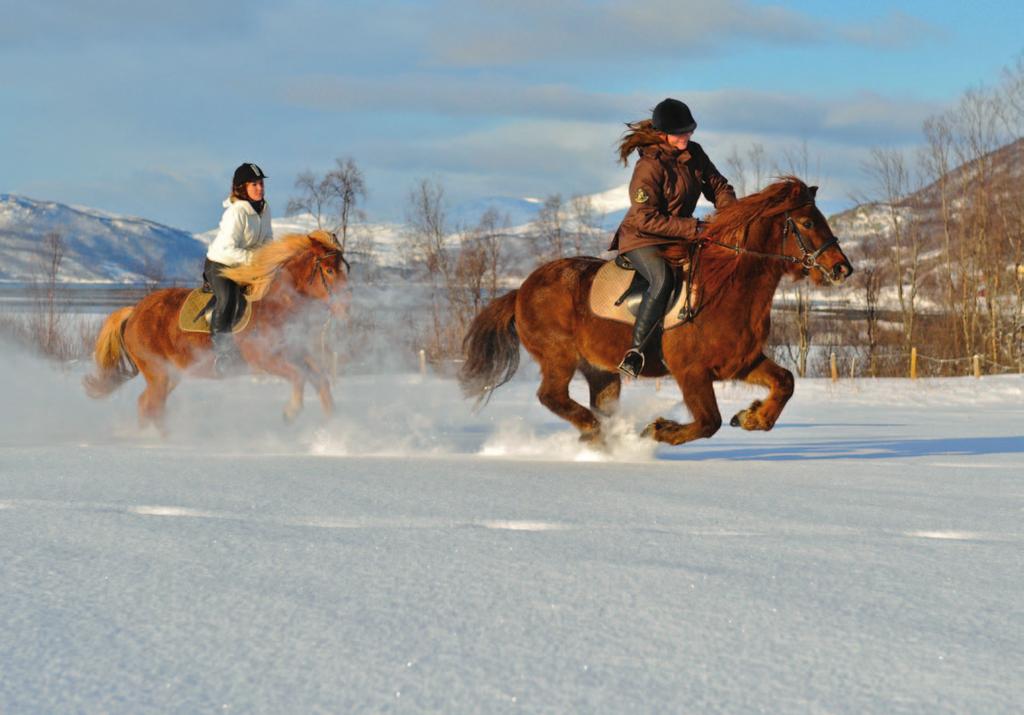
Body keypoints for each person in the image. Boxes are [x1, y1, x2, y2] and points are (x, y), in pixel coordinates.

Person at [609, 98, 737, 378]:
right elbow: (645, 218)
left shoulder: (695, 153)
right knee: (663, 279)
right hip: (643, 238)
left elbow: (718, 186)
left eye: (689, 131)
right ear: (662, 134)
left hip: (680, 235)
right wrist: (695, 229)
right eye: (681, 133)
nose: (687, 137)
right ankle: (637, 352)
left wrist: (732, 214)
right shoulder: (649, 167)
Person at [204, 162, 273, 375]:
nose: (260, 188)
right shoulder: (236, 212)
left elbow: (268, 238)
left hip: (248, 265)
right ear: (242, 188)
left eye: (261, 183)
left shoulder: (264, 208)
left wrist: (269, 259)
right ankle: (222, 353)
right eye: (254, 184)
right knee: (229, 298)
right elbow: (227, 248)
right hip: (221, 265)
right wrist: (253, 260)